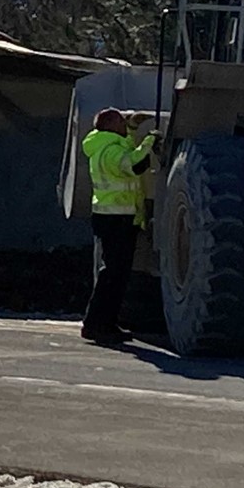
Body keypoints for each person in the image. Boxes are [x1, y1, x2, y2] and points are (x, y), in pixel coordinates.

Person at [80, 107, 158, 344]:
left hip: (115, 217)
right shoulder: (110, 151)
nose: (125, 125)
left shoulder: (106, 146)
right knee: (113, 274)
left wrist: (134, 130)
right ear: (112, 125)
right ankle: (95, 324)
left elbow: (129, 154)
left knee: (116, 274)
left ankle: (106, 323)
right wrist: (151, 140)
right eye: (122, 123)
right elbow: (133, 164)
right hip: (116, 219)